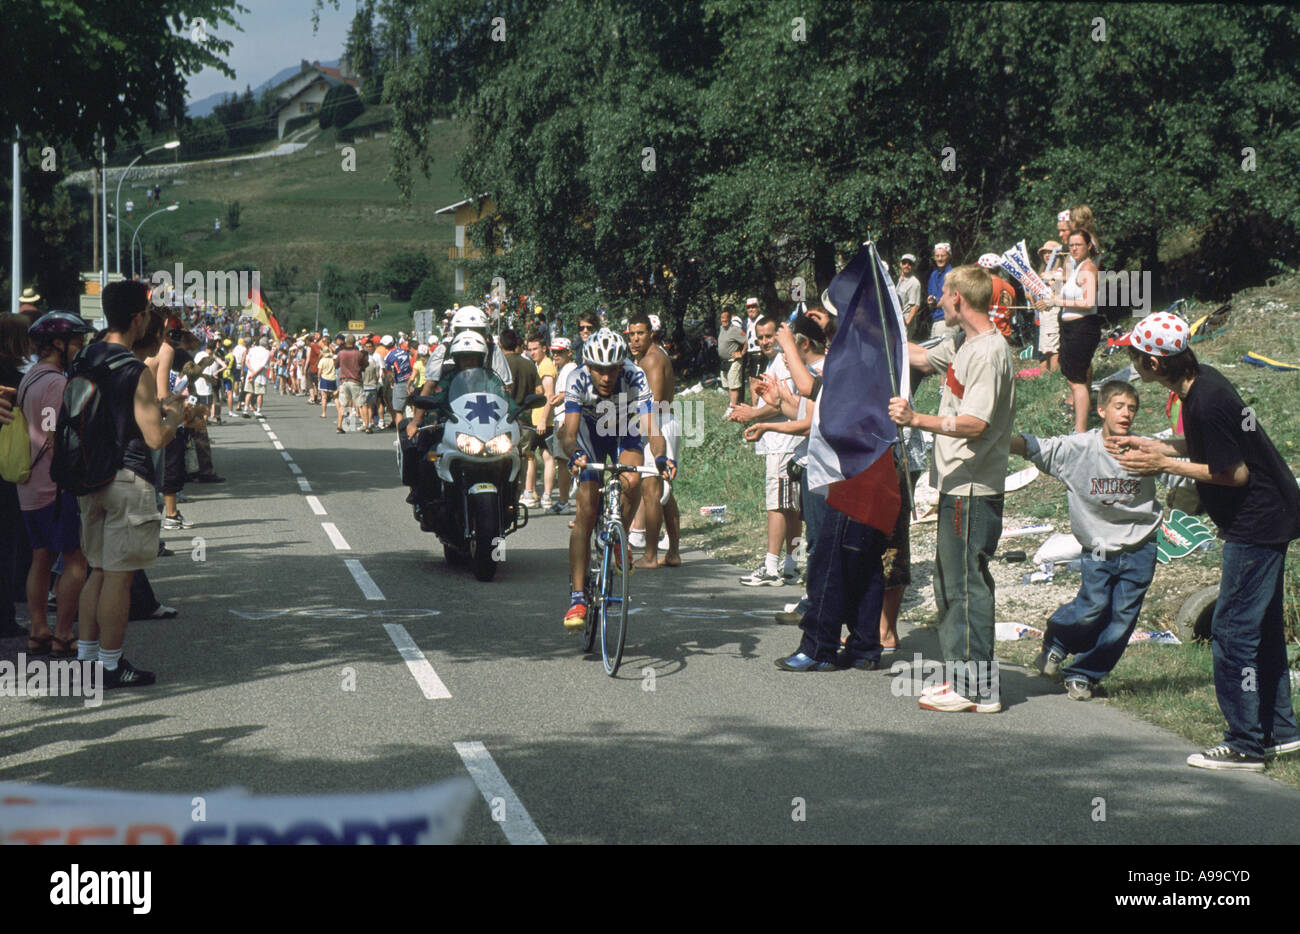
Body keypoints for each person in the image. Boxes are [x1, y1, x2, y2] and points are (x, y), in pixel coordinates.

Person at [1111, 312, 1300, 771]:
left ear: (1155, 363)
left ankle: (1245, 745)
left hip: (1256, 523)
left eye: (1135, 355)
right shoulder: (1201, 385)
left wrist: (1162, 467)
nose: (1131, 362)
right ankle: (1280, 731)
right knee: (1263, 628)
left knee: (1232, 631)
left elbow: (1232, 472)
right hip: (1270, 517)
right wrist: (1157, 446)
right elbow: (1210, 448)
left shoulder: (1207, 401)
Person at [889, 264, 1016, 713]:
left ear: (959, 299)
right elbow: (921, 358)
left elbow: (976, 423)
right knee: (952, 583)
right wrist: (878, 323)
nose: (938, 300)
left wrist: (916, 420)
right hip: (956, 486)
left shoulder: (988, 352)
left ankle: (977, 687)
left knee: (965, 585)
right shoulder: (963, 342)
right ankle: (966, 678)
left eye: (944, 294)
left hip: (972, 489)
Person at [1010, 381, 1160, 699]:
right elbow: (1035, 446)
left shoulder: (1145, 449)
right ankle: (1058, 641)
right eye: (1119, 406)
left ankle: (1083, 673)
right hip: (1099, 547)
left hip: (1141, 545)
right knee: (1092, 607)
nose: (1126, 413)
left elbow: (1182, 469)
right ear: (1101, 410)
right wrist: (993, 440)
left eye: (1132, 408)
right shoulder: (1080, 449)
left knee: (1122, 618)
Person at [78, 282, 185, 688]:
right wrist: (173, 415)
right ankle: (109, 665)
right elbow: (155, 438)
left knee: (96, 572)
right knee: (119, 578)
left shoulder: (85, 357)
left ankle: (86, 659)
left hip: (90, 477)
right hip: (127, 477)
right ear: (138, 318)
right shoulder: (133, 368)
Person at [560, 328, 674, 630]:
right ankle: (577, 596)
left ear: (621, 365)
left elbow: (653, 429)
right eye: (599, 370)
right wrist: (574, 455)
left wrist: (662, 459)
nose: (606, 377)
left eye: (612, 369)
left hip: (623, 430)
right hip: (587, 433)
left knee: (633, 479)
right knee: (585, 508)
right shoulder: (577, 379)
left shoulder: (635, 376)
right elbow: (569, 435)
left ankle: (619, 536)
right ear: (588, 366)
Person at [17, 313, 94, 659]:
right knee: (76, 560)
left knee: (41, 559)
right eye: (76, 341)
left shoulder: (29, 378)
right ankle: (63, 634)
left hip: (29, 485)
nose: (80, 347)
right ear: (58, 345)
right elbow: (51, 434)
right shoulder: (56, 383)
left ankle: (38, 631)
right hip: (55, 486)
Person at [728, 316, 803, 587]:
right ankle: (792, 564)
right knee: (791, 506)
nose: (764, 342)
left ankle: (772, 565)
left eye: (769, 336)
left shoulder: (783, 363)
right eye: (759, 338)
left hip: (783, 443)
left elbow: (781, 404)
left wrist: (752, 413)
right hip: (783, 441)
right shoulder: (774, 363)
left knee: (778, 506)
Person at [626, 312, 681, 568]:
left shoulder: (652, 359)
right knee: (664, 492)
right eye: (632, 334)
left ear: (650, 333)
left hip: (658, 424)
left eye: (640, 334)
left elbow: (655, 402)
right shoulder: (649, 357)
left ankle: (650, 555)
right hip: (662, 423)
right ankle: (673, 553)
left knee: (651, 491)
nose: (635, 339)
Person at [1038, 229, 1102, 433]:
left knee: (1077, 382)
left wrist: (1058, 301)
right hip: (1070, 327)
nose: (1073, 249)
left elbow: (1088, 301)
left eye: (1078, 245)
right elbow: (1063, 294)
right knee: (1073, 379)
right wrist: (1049, 301)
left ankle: (1081, 431)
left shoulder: (1088, 268)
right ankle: (1080, 423)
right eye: (1071, 245)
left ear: (1088, 246)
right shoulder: (1075, 268)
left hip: (1082, 328)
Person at [524, 332, 558, 510]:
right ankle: (544, 496)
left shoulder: (545, 367)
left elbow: (549, 395)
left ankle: (530, 493)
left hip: (540, 420)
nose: (532, 352)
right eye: (529, 349)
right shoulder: (540, 365)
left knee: (530, 456)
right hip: (539, 419)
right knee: (546, 456)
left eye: (535, 348)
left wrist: (543, 419)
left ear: (544, 348)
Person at [545, 337, 578, 515]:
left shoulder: (569, 369)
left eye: (560, 352)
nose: (556, 355)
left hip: (565, 418)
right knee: (562, 461)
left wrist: (553, 399)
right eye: (554, 352)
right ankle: (564, 500)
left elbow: (567, 394)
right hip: (563, 417)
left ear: (568, 353)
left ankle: (565, 501)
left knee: (564, 462)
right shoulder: (564, 369)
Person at [1037, 239, 1064, 373]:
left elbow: (1060, 297)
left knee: (1053, 350)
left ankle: (1054, 379)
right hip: (1044, 317)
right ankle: (1048, 380)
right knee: (1046, 350)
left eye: (1050, 253)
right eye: (1045, 253)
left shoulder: (1059, 273)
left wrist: (1046, 302)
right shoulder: (1044, 272)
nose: (1047, 255)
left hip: (1053, 315)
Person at [717, 306, 746, 415]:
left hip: (734, 361)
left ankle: (732, 409)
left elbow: (746, 340)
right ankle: (733, 404)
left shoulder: (735, 329)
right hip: (724, 362)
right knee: (728, 384)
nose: (724, 320)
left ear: (730, 318)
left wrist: (741, 353)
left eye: (726, 318)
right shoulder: (721, 328)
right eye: (722, 318)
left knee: (734, 385)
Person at [334, 334, 366, 434]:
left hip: (344, 381)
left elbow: (336, 365)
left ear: (345, 342)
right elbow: (365, 364)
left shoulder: (341, 353)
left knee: (342, 405)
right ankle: (367, 425)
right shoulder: (358, 353)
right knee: (361, 404)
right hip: (355, 380)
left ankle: (339, 427)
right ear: (354, 342)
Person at [381, 334, 412, 430]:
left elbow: (389, 374)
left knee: (398, 411)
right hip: (410, 380)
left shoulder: (388, 357)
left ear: (385, 346)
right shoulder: (404, 351)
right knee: (412, 406)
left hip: (400, 382)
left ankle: (401, 434)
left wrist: (391, 383)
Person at [926, 243, 954, 339]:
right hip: (936, 320)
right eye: (937, 256)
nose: (939, 259)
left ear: (949, 257)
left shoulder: (952, 274)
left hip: (947, 320)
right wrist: (931, 301)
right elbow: (931, 297)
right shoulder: (933, 275)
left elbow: (947, 301)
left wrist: (934, 304)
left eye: (943, 256)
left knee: (943, 352)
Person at [897, 254, 924, 341]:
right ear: (900, 264)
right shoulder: (900, 279)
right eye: (904, 263)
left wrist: (906, 323)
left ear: (913, 266)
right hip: (898, 320)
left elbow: (915, 306)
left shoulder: (914, 283)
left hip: (905, 322)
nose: (906, 266)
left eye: (910, 264)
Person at [318, 343, 338, 419]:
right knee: (335, 397)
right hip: (332, 378)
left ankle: (324, 413)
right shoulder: (333, 360)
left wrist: (319, 378)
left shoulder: (322, 360)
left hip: (324, 378)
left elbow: (319, 371)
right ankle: (339, 411)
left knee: (324, 397)